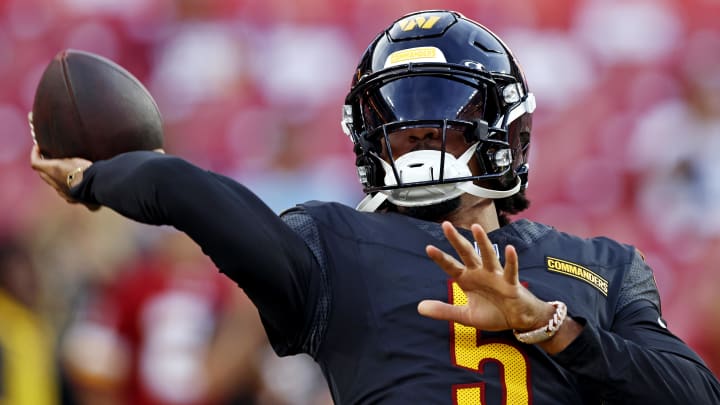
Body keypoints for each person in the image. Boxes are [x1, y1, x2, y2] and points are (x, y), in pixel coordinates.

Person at [30, 9, 720, 404]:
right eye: (401, 118)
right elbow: (194, 195)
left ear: (508, 131)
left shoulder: (600, 266)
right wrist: (97, 177)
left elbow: (695, 396)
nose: (417, 135)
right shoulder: (334, 246)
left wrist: (551, 327)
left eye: (442, 117)